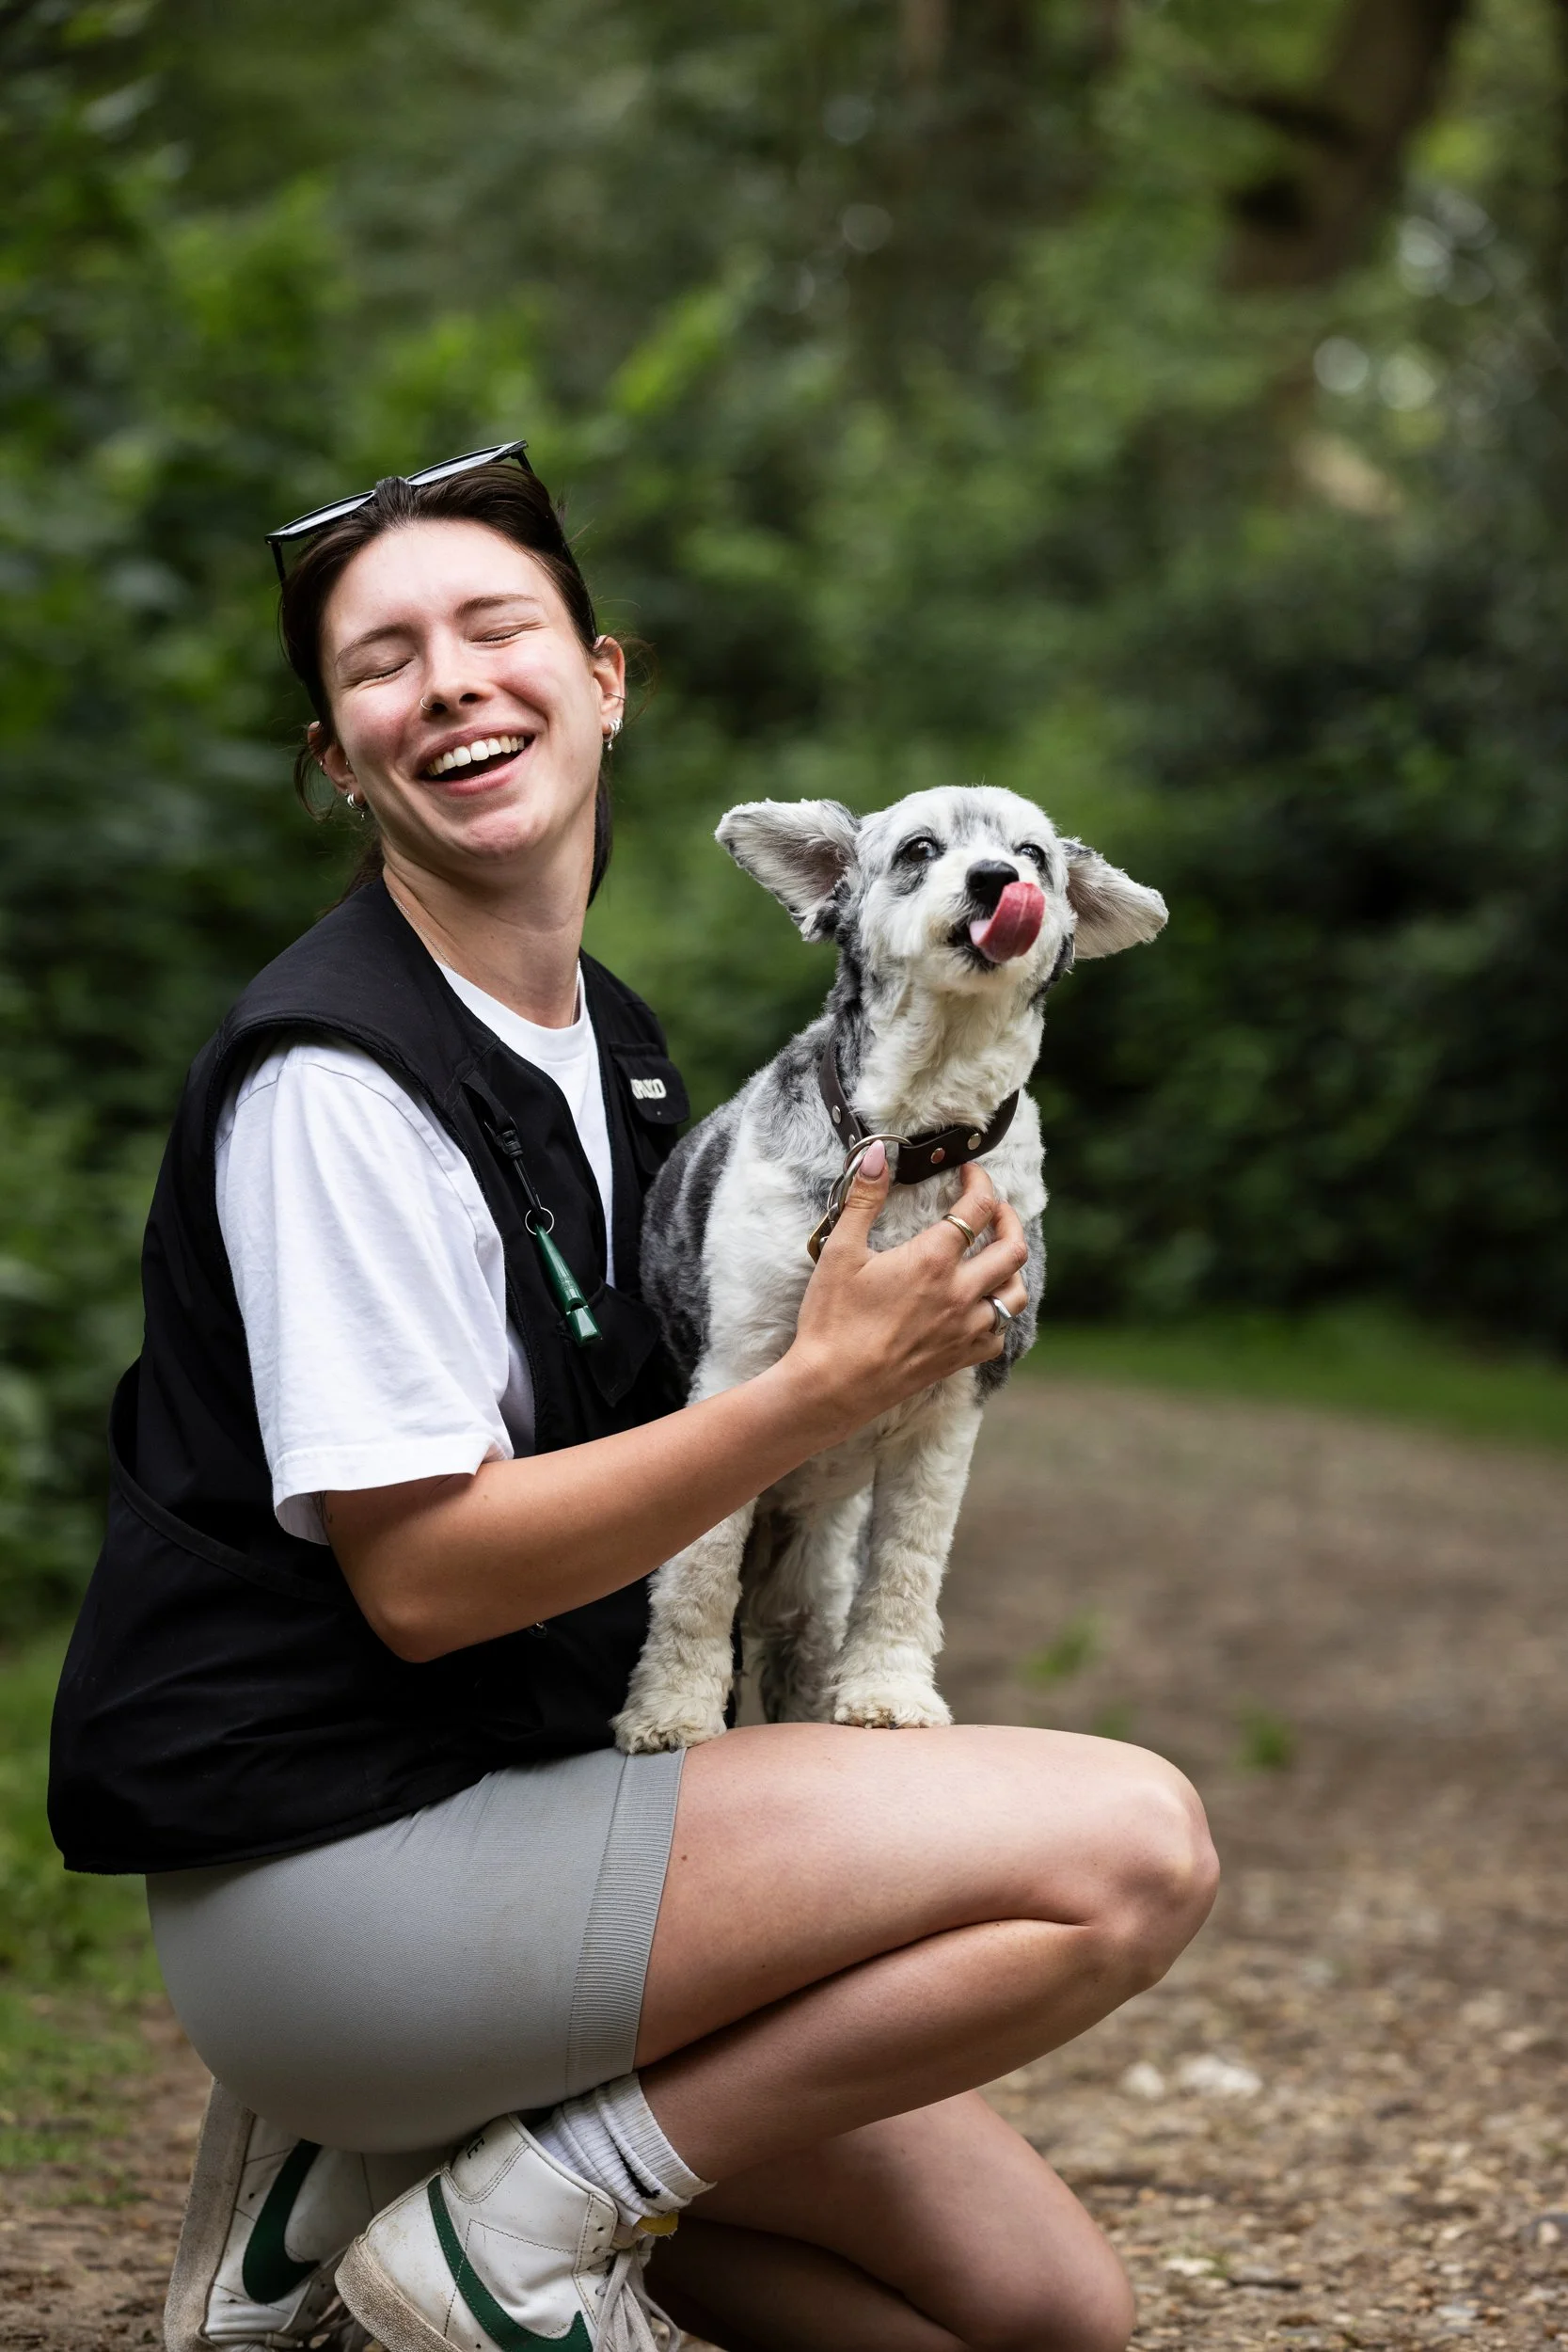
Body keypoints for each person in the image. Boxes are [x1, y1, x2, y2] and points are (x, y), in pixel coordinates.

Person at [49, 444, 1218, 2352]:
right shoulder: (333, 1082)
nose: (450, 681)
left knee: (1030, 2312)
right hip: (335, 1868)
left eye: (495, 628)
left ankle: (354, 2205)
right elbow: (422, 1580)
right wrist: (817, 1387)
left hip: (535, 1800)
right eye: (381, 662)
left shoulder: (619, 1046)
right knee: (1128, 1848)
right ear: (338, 760)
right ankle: (505, 2212)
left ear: (602, 679)